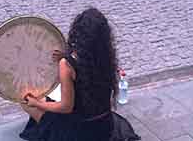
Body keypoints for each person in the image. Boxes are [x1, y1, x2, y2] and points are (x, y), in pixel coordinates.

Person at [19, 8, 140, 141]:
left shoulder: (67, 64)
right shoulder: (106, 57)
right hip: (104, 126)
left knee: (27, 100)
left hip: (78, 133)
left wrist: (37, 103)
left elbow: (66, 107)